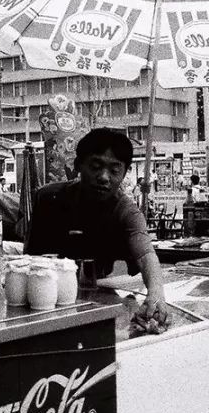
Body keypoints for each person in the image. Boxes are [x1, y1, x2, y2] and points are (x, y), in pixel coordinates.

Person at [26, 128, 168, 317]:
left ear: (125, 173)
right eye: (95, 167)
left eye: (114, 170)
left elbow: (145, 255)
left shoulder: (126, 211)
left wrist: (156, 294)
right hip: (42, 302)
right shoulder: (47, 198)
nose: (103, 177)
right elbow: (29, 260)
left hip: (98, 302)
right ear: (77, 165)